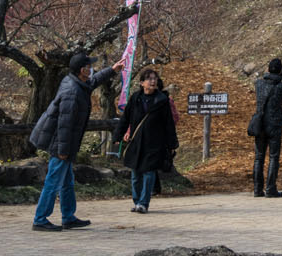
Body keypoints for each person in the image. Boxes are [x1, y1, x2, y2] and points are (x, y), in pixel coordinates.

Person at [28, 50, 125, 233]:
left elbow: (93, 82)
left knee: (66, 182)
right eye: (89, 66)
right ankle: (40, 219)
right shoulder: (72, 92)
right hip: (61, 143)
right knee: (53, 181)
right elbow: (64, 125)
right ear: (82, 70)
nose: (91, 69)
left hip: (66, 143)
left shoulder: (76, 82)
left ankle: (68, 217)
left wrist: (112, 70)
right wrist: (63, 150)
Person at [114, 67, 178, 214]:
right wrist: (118, 135)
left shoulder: (162, 100)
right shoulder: (135, 98)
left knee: (149, 173)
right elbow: (126, 119)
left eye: (154, 78)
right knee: (135, 173)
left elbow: (168, 123)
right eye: (149, 78)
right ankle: (136, 201)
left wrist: (172, 144)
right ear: (142, 82)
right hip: (136, 142)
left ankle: (143, 203)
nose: (152, 81)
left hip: (154, 143)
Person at [249, 57, 282, 198]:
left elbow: (265, 78)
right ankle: (270, 189)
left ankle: (257, 189)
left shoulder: (259, 84)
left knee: (259, 158)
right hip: (274, 124)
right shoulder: (280, 86)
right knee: (273, 157)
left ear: (268, 69)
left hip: (260, 124)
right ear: (280, 71)